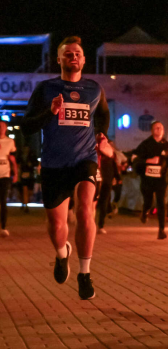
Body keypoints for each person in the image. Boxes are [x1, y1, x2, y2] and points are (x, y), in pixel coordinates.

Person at [20, 36, 110, 300]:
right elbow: (26, 127)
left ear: (84, 59)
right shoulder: (46, 88)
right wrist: (50, 112)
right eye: (68, 53)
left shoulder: (94, 89)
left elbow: (103, 114)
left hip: (85, 160)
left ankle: (85, 273)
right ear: (58, 59)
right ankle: (62, 254)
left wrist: (102, 134)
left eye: (77, 53)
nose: (73, 57)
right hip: (54, 164)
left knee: (85, 210)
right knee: (56, 225)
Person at [133, 121, 168, 239]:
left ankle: (161, 230)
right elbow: (135, 158)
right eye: (156, 128)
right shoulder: (146, 144)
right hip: (147, 179)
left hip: (161, 179)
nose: (159, 129)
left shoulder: (167, 145)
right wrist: (148, 161)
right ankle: (145, 212)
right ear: (152, 130)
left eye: (161, 128)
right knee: (148, 201)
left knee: (161, 203)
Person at [95, 142, 119, 234]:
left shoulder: (109, 157)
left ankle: (100, 225)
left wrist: (117, 177)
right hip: (99, 181)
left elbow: (114, 168)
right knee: (99, 203)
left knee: (103, 203)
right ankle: (96, 225)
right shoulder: (97, 155)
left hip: (105, 182)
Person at [0, 121, 18, 237]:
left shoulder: (10, 142)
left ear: (6, 128)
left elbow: (13, 159)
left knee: (3, 201)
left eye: (3, 126)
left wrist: (15, 173)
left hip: (5, 175)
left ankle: (3, 227)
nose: (1, 128)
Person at [16, 145, 38, 213]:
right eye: (24, 148)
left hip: (30, 175)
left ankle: (25, 203)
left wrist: (31, 164)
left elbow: (36, 163)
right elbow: (17, 163)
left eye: (26, 148)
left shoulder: (32, 156)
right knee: (24, 190)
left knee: (30, 191)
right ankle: (26, 205)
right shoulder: (20, 156)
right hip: (22, 174)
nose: (25, 149)